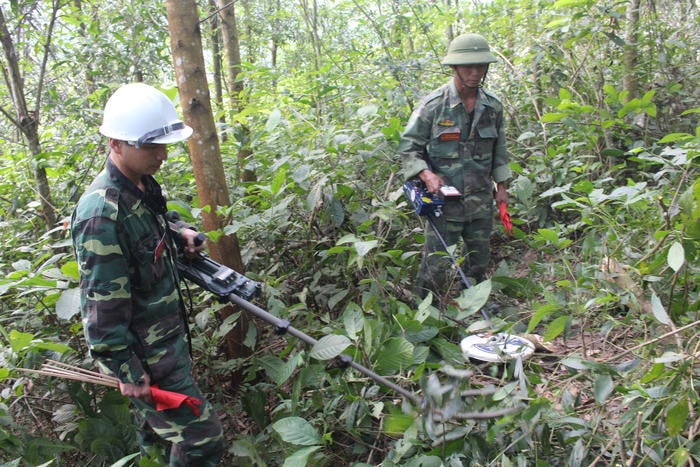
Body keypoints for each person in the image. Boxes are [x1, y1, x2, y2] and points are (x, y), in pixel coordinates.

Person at [71, 83, 224, 465]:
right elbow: (101, 303)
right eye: (151, 146)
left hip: (167, 342)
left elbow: (153, 224)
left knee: (155, 438)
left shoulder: (140, 184)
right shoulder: (101, 214)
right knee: (202, 440)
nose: (162, 155)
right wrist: (125, 367)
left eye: (163, 145)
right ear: (116, 143)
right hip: (145, 358)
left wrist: (179, 231)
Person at [399, 33, 511, 301]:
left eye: (480, 66)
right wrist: (426, 174)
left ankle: (472, 307)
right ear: (454, 68)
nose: (475, 73)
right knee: (435, 264)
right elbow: (408, 147)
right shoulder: (433, 106)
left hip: (481, 201)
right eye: (468, 67)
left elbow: (500, 150)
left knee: (478, 261)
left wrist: (502, 189)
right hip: (444, 202)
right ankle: (426, 311)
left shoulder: (492, 107)